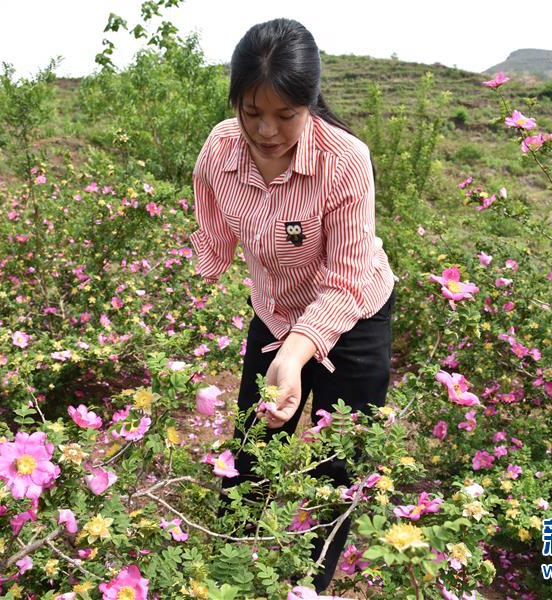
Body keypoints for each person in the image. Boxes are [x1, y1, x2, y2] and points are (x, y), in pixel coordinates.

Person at [188, 17, 398, 593]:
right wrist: (209, 266)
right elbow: (209, 202)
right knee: (252, 452)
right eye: (251, 112)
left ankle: (309, 583)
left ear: (309, 103)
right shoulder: (221, 147)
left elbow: (346, 281)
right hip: (275, 311)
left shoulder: (345, 160)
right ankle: (230, 568)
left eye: (285, 115)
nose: (266, 129)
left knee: (337, 462)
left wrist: (296, 355)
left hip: (353, 316)